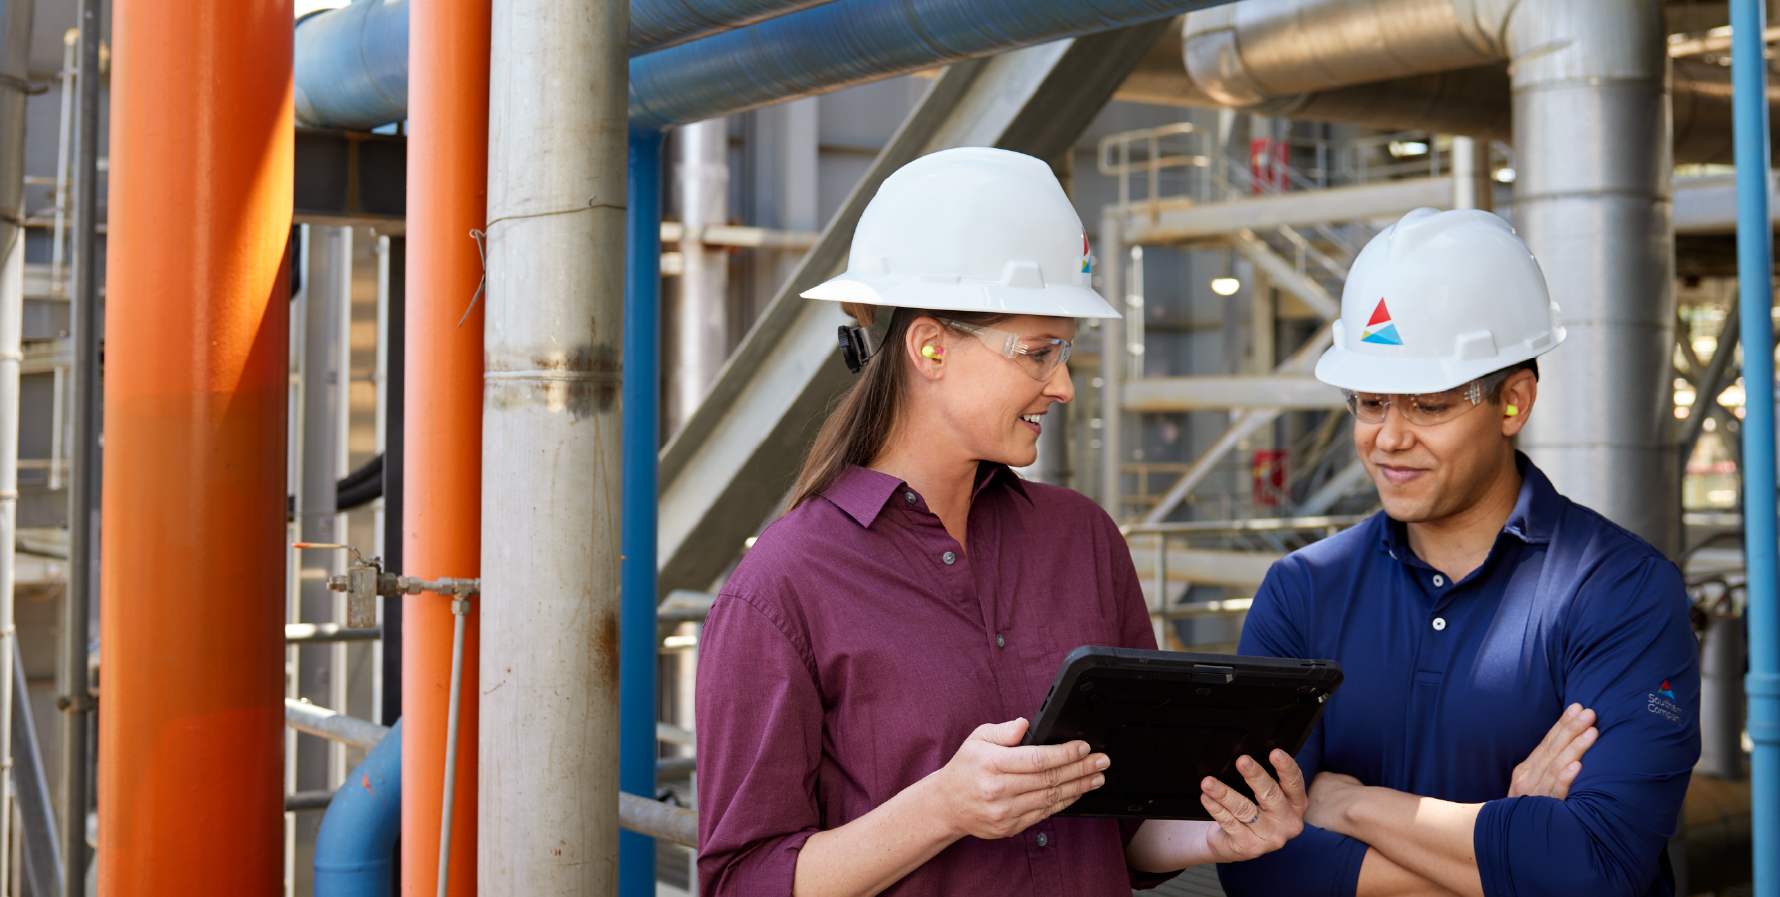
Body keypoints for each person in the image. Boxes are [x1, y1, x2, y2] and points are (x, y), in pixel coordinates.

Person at [695, 147, 1311, 897]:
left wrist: (1219, 830)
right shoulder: (782, 586)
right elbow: (738, 881)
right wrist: (943, 806)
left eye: (1066, 352)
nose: (1063, 386)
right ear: (929, 347)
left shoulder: (1082, 539)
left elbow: (1119, 825)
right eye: (1038, 352)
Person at [1214, 208, 1702, 897]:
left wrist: (1347, 803)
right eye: (1371, 401)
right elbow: (1255, 864)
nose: (1387, 438)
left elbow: (1595, 868)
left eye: (1428, 405)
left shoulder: (1619, 592)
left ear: (1513, 402)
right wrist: (1508, 842)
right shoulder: (1302, 592)